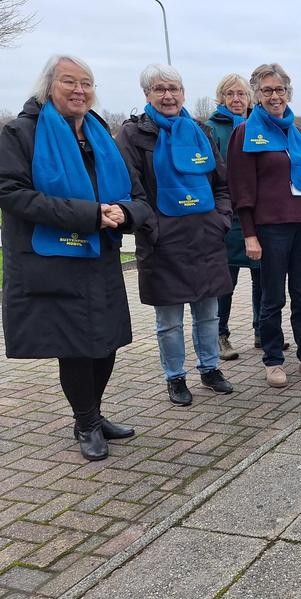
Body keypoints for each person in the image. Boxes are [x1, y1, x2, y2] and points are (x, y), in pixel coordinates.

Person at [0, 55, 153, 460]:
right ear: (49, 86)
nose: (79, 90)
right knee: (76, 346)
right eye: (70, 82)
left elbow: (137, 195)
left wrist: (126, 213)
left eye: (86, 83)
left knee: (107, 343)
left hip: (100, 256)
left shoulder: (101, 134)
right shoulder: (22, 133)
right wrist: (89, 215)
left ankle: (94, 413)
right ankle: (85, 422)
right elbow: (11, 193)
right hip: (53, 260)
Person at [117, 64, 236, 408]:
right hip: (163, 241)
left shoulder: (200, 130)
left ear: (183, 93)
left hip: (206, 238)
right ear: (147, 95)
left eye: (174, 88)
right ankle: (175, 377)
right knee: (169, 321)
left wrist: (221, 220)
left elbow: (222, 185)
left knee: (208, 313)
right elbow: (131, 187)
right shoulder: (132, 135)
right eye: (159, 89)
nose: (168, 95)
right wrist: (153, 227)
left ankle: (211, 369)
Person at [227, 63, 301, 388]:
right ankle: (273, 359)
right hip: (268, 229)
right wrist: (249, 234)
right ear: (257, 95)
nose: (275, 96)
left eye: (280, 89)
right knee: (272, 299)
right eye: (267, 90)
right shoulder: (246, 132)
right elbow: (240, 188)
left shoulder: (299, 134)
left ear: (288, 92)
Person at [206, 73, 261, 360]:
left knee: (261, 276)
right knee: (227, 279)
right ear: (222, 98)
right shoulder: (212, 128)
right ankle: (221, 334)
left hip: (257, 212)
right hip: (229, 214)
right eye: (230, 94)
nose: (237, 99)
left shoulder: (259, 125)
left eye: (241, 94)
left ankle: (262, 331)